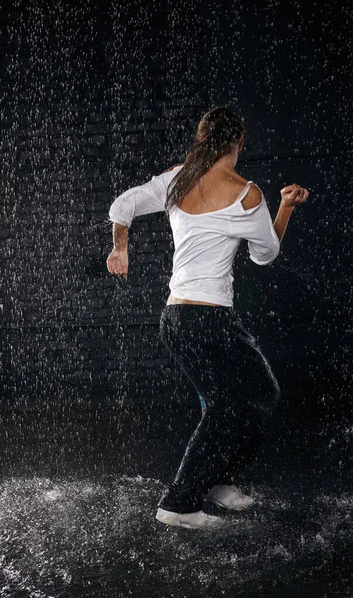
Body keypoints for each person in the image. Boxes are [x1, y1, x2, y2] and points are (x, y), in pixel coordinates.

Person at [106, 105, 309, 530]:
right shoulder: (245, 192)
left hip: (175, 319)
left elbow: (122, 205)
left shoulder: (177, 179)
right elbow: (265, 255)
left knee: (240, 399)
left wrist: (120, 247)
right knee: (243, 399)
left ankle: (216, 481)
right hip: (209, 320)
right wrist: (286, 206)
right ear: (238, 144)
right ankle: (179, 504)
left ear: (202, 140)